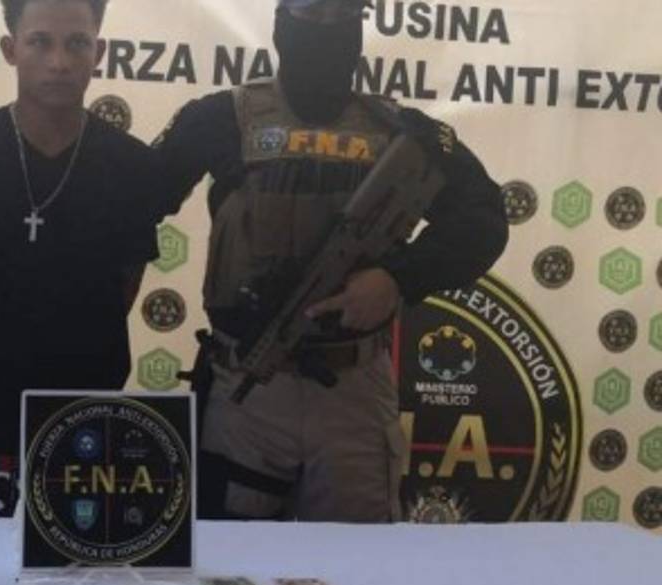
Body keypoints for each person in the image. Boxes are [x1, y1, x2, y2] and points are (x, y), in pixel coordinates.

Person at [154, 0, 508, 522]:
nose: (325, 27)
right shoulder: (221, 118)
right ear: (282, 20)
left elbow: (484, 220)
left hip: (353, 390)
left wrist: (397, 278)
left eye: (341, 15)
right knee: (232, 561)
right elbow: (134, 202)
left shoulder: (401, 131)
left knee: (358, 565)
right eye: (311, 13)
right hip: (247, 389)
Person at [0, 0, 159, 517]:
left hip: (87, 413)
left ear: (99, 53)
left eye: (77, 44)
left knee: (81, 559)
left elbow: (127, 279)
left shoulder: (132, 165)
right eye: (40, 42)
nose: (59, 62)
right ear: (10, 49)